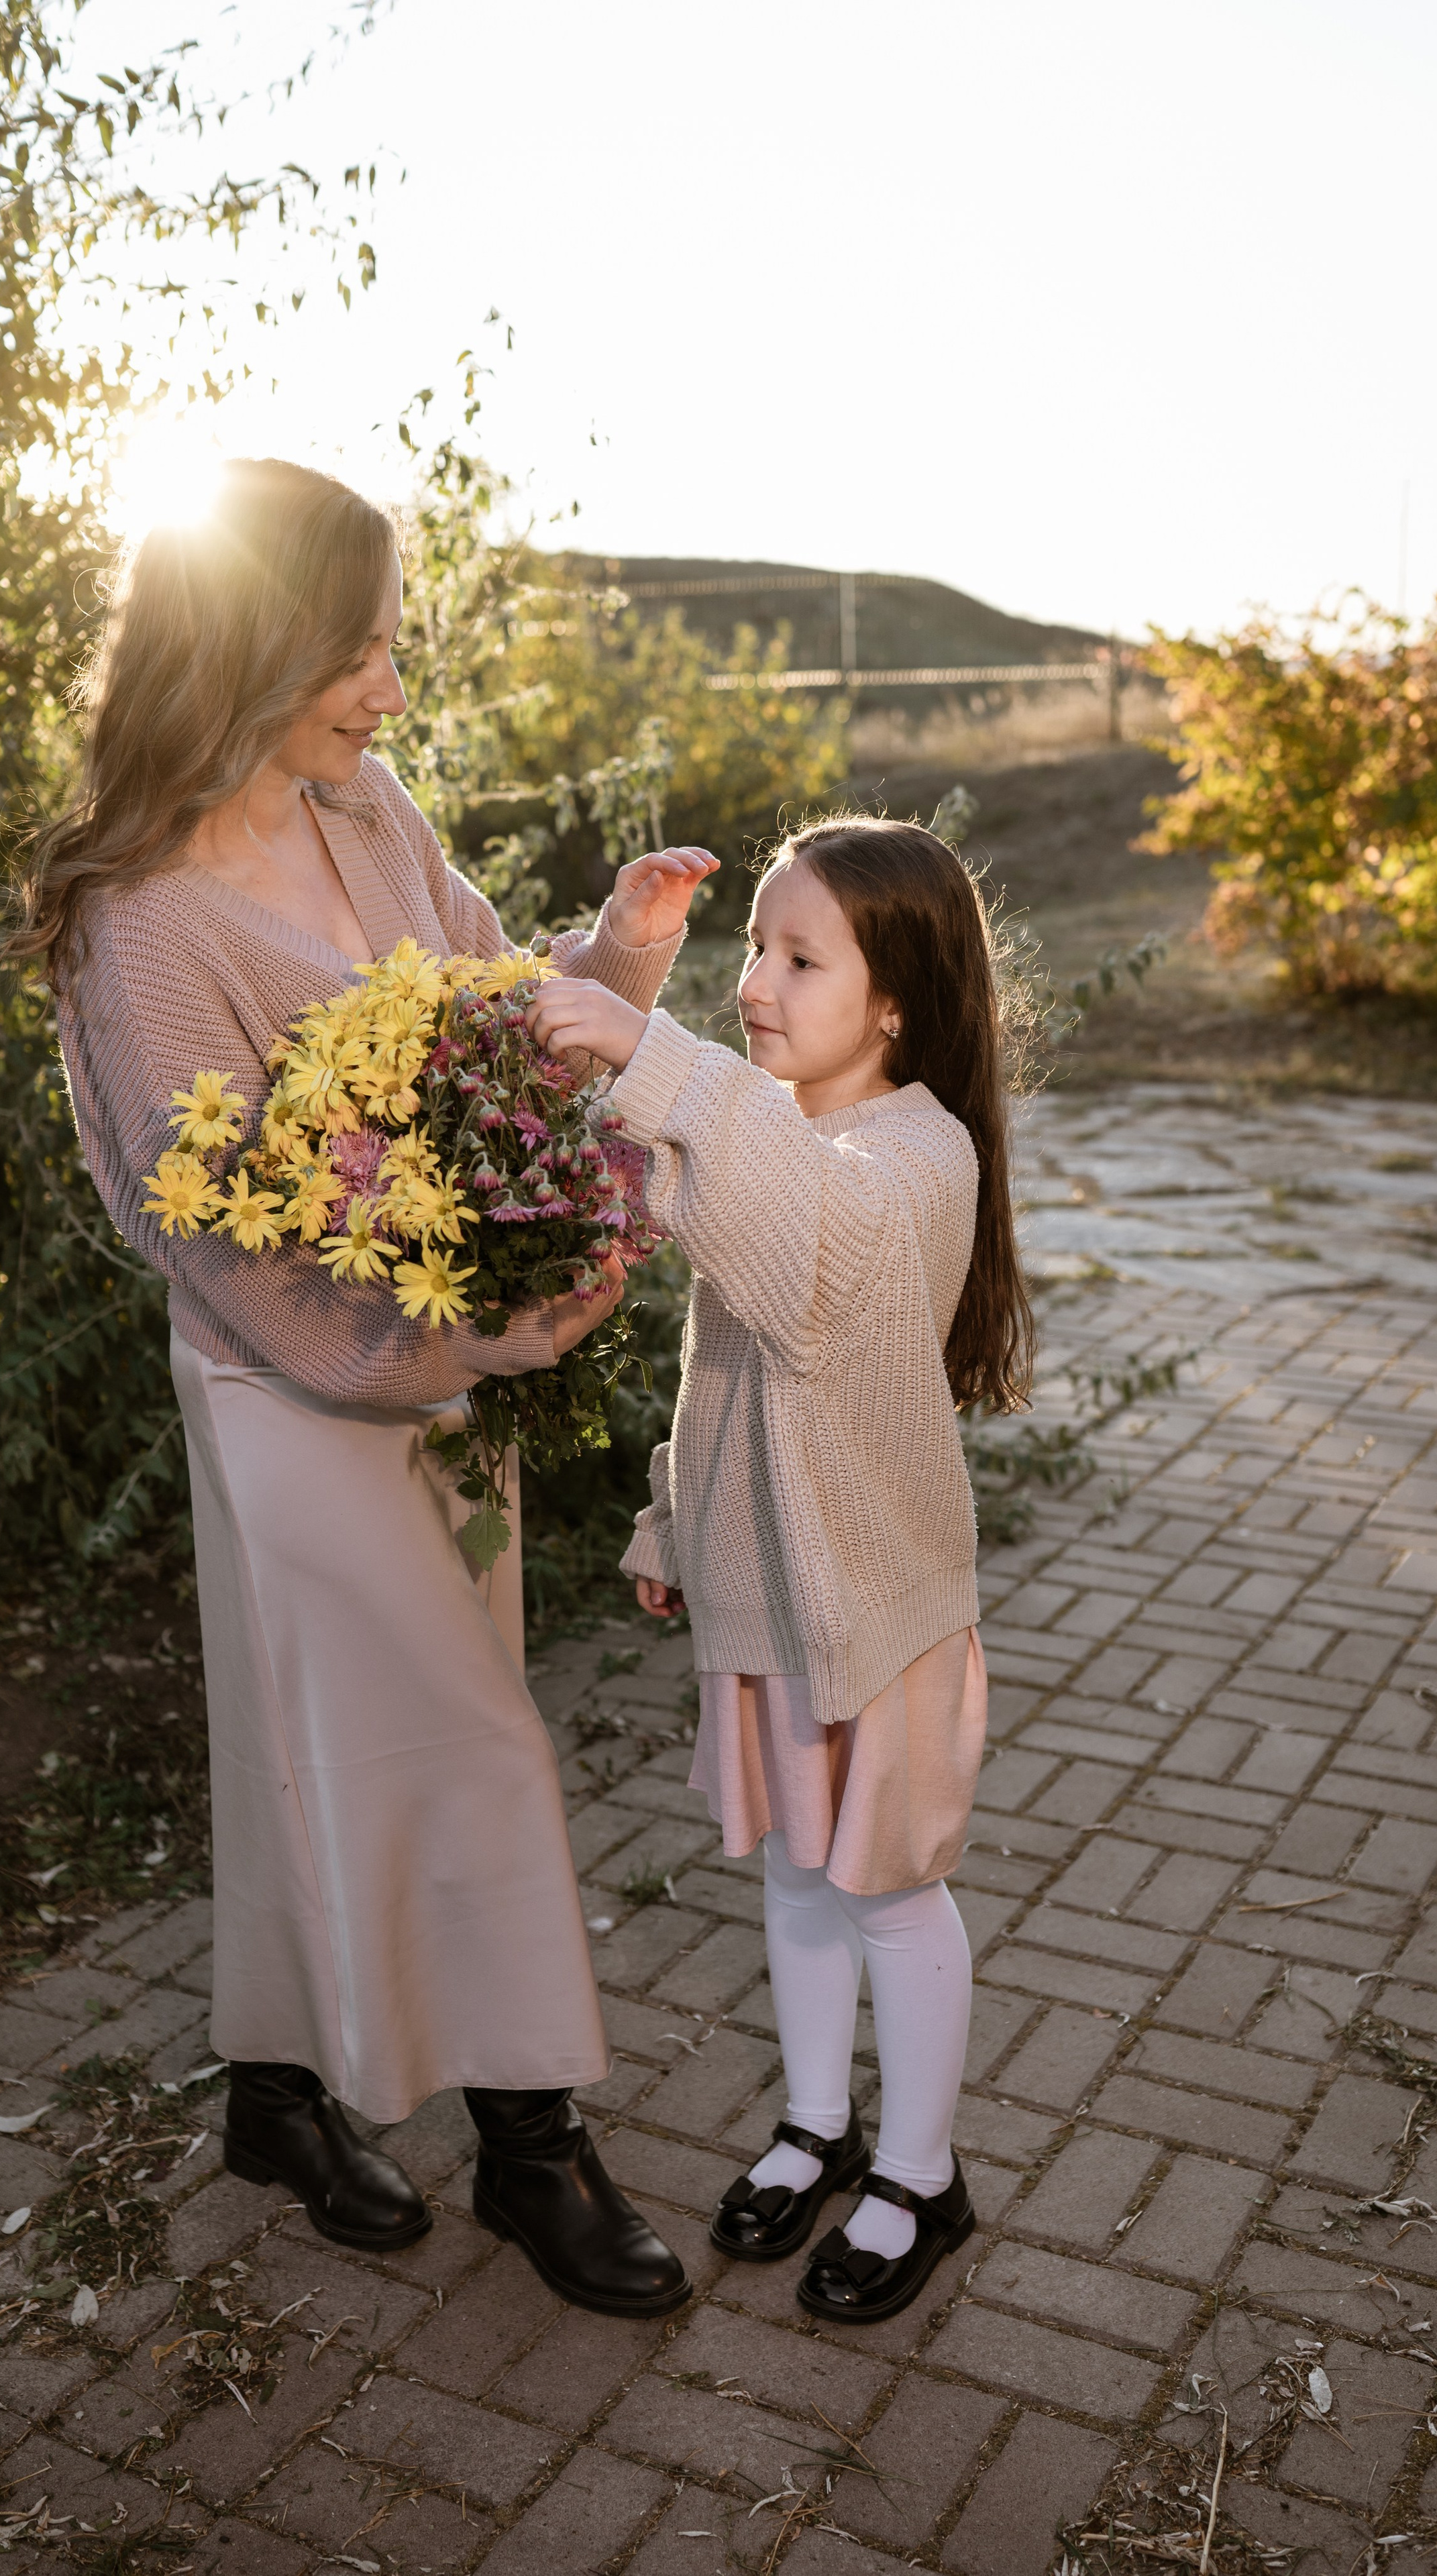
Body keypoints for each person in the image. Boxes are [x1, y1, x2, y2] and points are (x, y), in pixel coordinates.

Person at [9, 456, 718, 2318]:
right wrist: (497, 1333)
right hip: (291, 1390)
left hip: (435, 1378)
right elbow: (227, 1235)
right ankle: (531, 2147)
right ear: (252, 645)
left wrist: (614, 958)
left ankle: (270, 2099)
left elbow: (489, 1020)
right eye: (362, 653)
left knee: (318, 1748)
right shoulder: (144, 917)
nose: (390, 694)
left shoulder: (368, 806)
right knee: (467, 1738)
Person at [525, 815, 1034, 2324]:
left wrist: (647, 1048)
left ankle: (921, 2174)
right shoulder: (786, 1131)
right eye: (754, 943)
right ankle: (819, 2124)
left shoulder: (910, 1157)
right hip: (764, 1603)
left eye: (798, 957)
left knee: (886, 1893)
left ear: (892, 1004)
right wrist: (674, 1526)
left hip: (874, 1619)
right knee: (801, 1881)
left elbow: (803, 1263)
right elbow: (721, 1362)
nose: (755, 979)